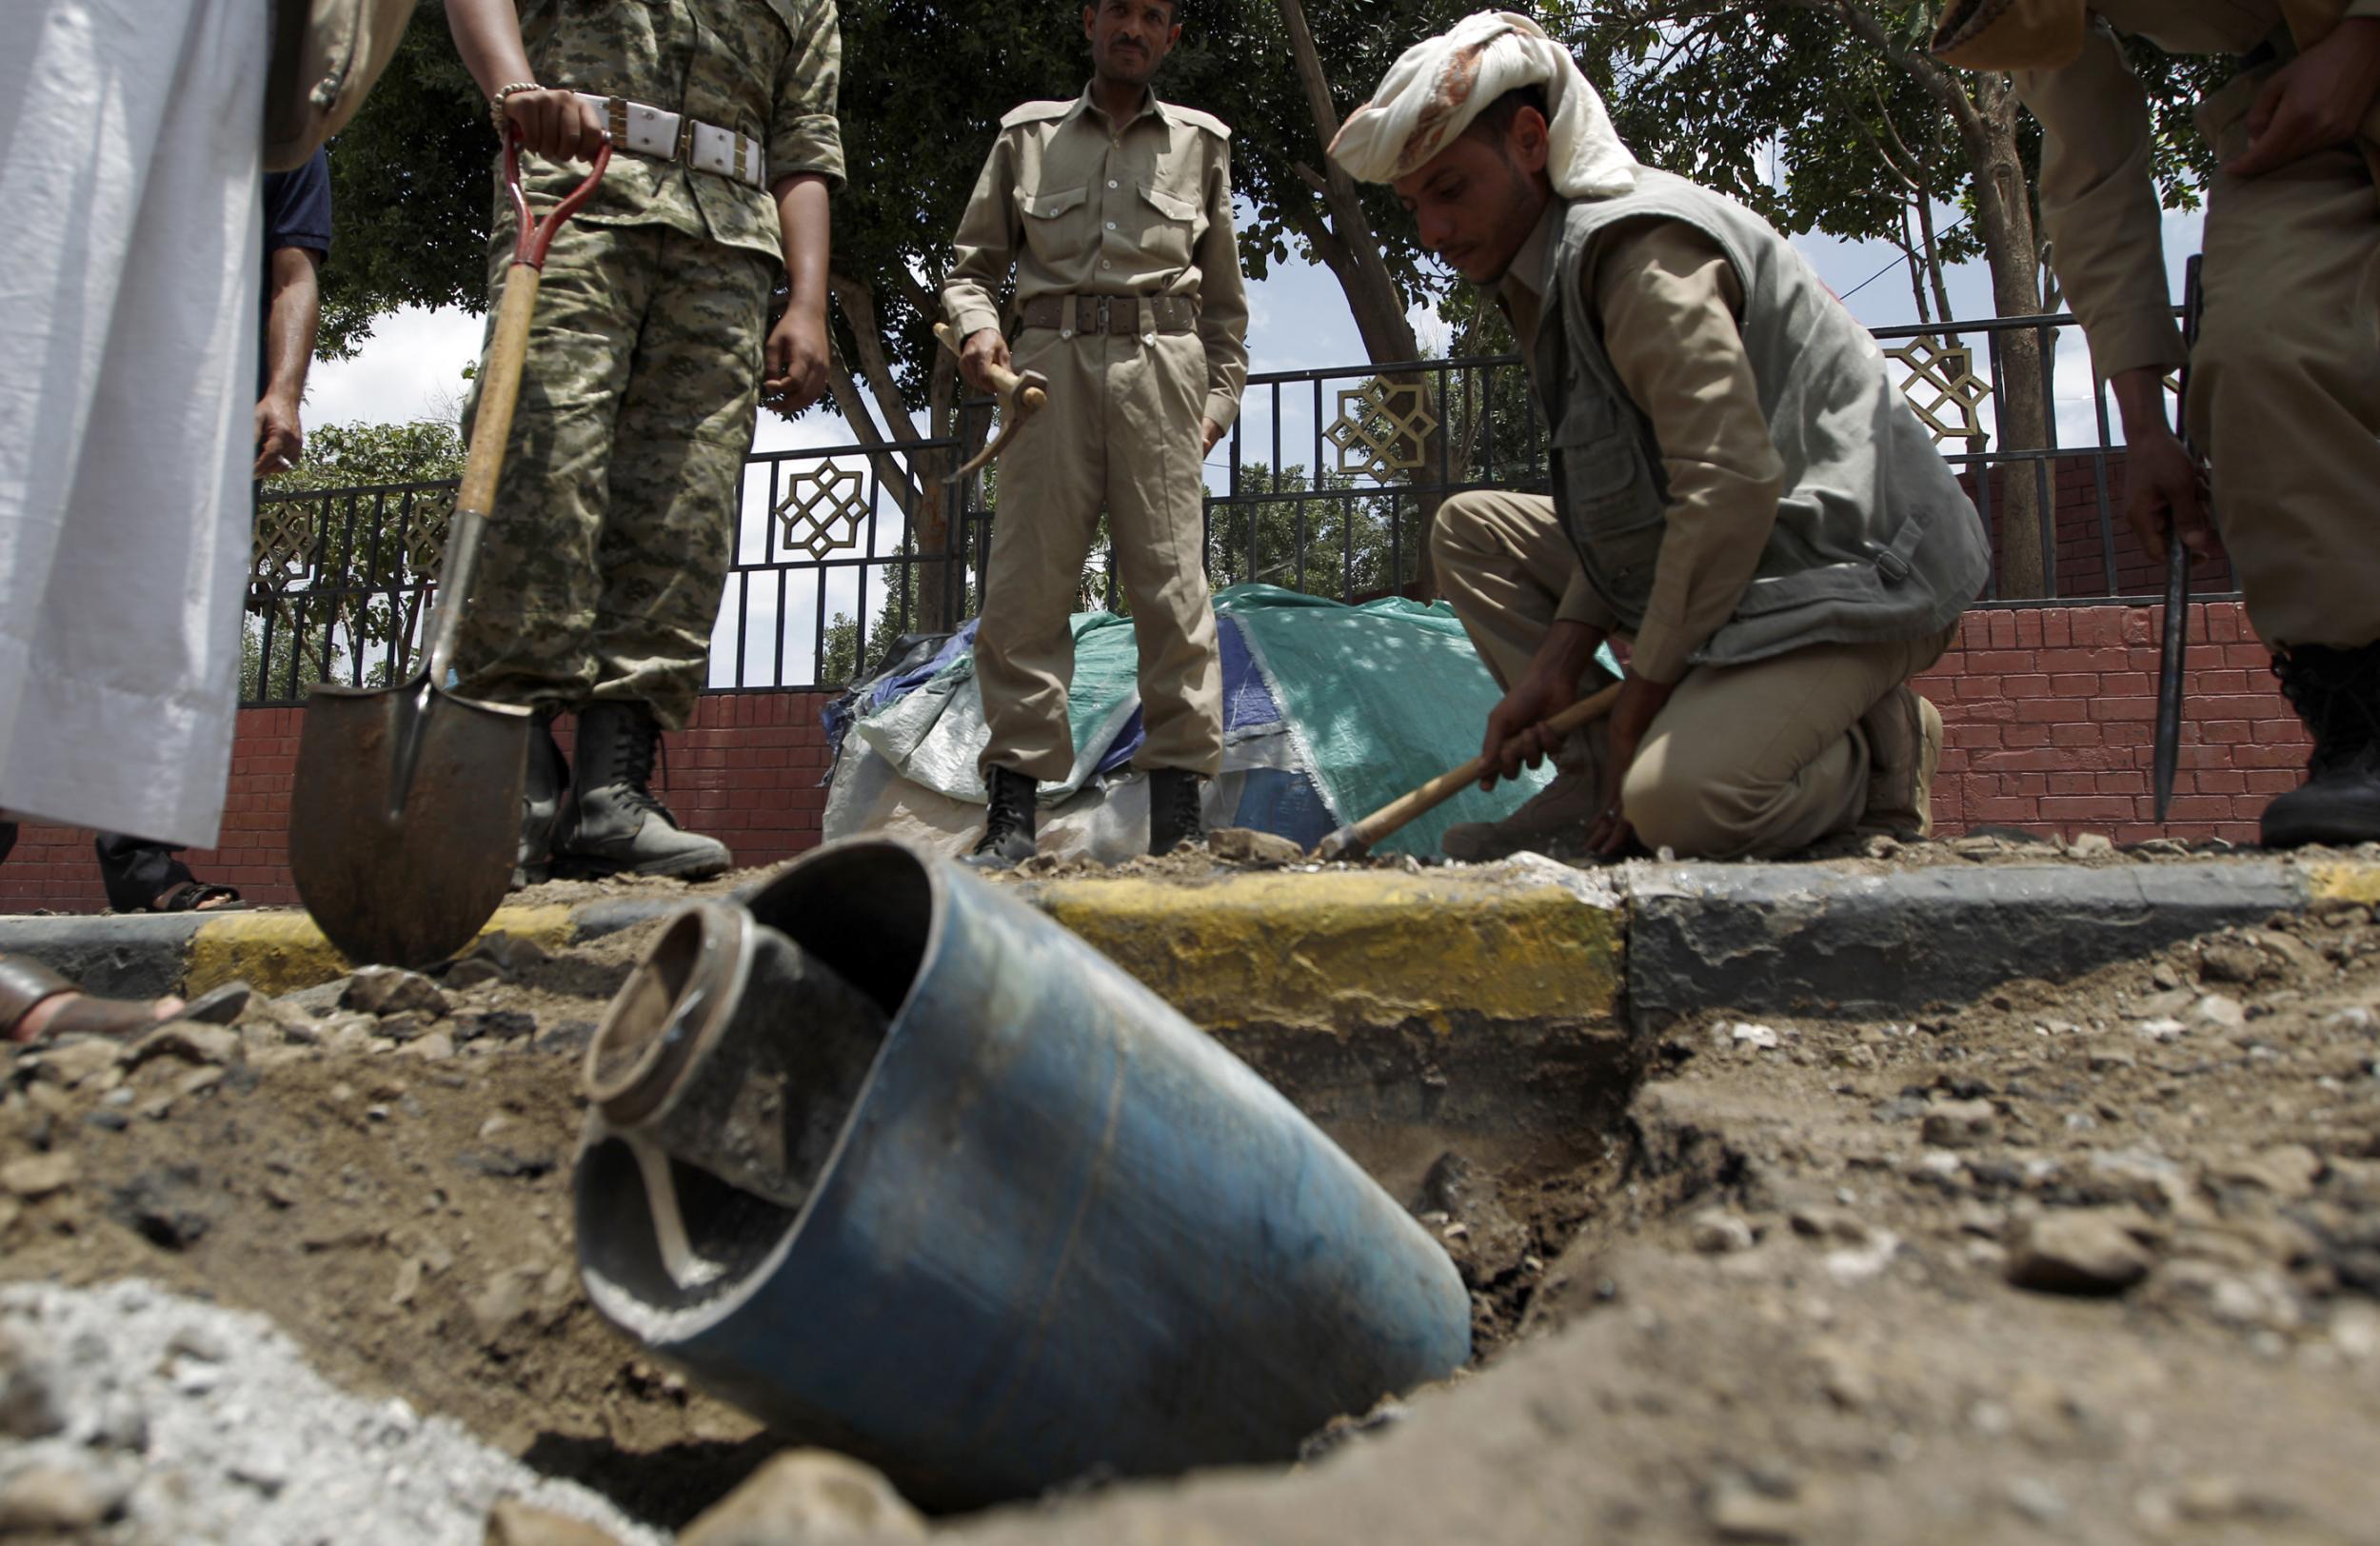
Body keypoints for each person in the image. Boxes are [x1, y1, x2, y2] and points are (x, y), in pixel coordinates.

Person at [1329, 11, 1990, 862]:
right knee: (1472, 529)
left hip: (1846, 568)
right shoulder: (1546, 265)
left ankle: (1872, 750)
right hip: (1747, 551)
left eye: (1451, 191)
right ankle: (1596, 784)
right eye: (1417, 205)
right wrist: (1555, 665)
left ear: (1531, 140)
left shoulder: (1634, 255)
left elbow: (1728, 485)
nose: (1433, 233)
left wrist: (1644, 697)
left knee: (1687, 807)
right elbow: (1631, 494)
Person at [1931, 1, 2380, 848]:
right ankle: (2367, 717)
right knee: (2258, 353)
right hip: (2289, 104)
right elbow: (2091, 166)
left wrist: (2365, 35)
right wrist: (2146, 429)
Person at [441, 0, 843, 885]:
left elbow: (806, 142)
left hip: (728, 245)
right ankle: (511, 786)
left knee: (686, 512)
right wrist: (514, 84)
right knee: (543, 467)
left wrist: (806, 301)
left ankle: (611, 794)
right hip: (578, 198)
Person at [941, 0, 1250, 866]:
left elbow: (1226, 314)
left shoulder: (1203, 145)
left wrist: (1214, 408)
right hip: (1047, 368)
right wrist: (976, 326)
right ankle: (1011, 823)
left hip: (1165, 369)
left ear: (1171, 36)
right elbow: (972, 269)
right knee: (1026, 589)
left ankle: (1180, 828)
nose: (1134, 29)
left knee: (1173, 592)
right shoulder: (1027, 138)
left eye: (1154, 17)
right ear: (1090, 20)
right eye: (1121, 11)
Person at [93, 146, 334, 916]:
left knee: (168, 634)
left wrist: (284, 391)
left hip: (197, 414)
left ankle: (142, 867)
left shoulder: (287, 126)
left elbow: (293, 272)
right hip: (70, 389)